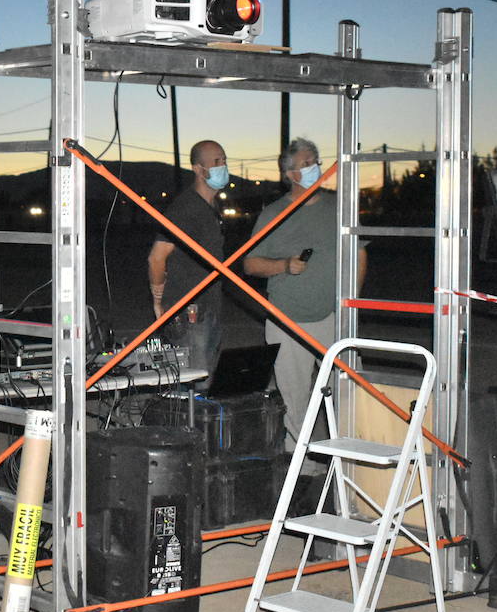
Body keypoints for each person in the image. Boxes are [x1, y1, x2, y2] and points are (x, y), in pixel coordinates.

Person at [243, 138, 366, 448]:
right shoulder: (274, 214)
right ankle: (303, 472)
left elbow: (360, 254)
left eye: (316, 160)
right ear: (291, 174)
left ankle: (353, 464)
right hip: (287, 322)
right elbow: (250, 264)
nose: (316, 167)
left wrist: (350, 304)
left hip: (333, 318)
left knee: (353, 393)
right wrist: (284, 264)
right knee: (296, 404)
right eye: (307, 162)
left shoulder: (339, 207)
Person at [147, 139, 229, 385]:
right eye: (216, 162)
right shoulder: (186, 207)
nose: (222, 166)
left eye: (224, 160)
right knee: (194, 386)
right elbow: (156, 257)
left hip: (210, 308)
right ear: (198, 169)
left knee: (207, 381)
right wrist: (159, 299)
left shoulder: (212, 206)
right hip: (189, 312)